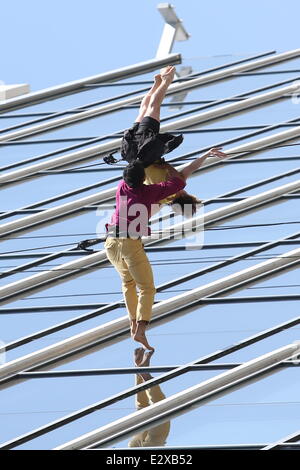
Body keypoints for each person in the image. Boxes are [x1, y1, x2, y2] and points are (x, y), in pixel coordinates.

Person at [104, 158, 186, 352]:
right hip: (128, 243)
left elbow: (132, 174)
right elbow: (179, 182)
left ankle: (133, 324)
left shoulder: (121, 187)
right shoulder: (148, 192)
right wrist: (164, 166)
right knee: (147, 288)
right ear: (143, 179)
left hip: (110, 243)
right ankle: (140, 328)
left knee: (128, 283)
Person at [128, 348, 170, 448]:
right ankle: (140, 371)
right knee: (142, 409)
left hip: (151, 445)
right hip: (134, 444)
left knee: (162, 411)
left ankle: (143, 374)